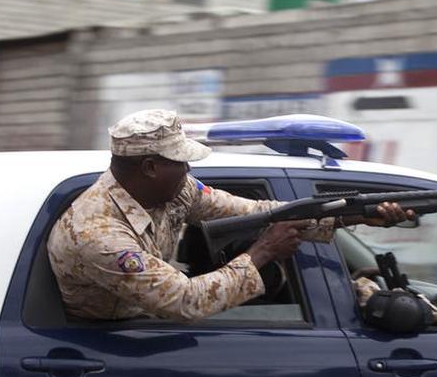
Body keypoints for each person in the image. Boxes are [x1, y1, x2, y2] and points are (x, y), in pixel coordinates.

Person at [48, 109, 412, 321]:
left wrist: (355, 216)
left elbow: (258, 212)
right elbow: (184, 301)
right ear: (149, 167)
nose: (189, 168)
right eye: (181, 161)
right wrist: (263, 253)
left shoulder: (176, 190)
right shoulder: (98, 232)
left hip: (141, 331)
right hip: (106, 340)